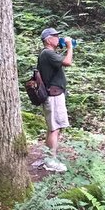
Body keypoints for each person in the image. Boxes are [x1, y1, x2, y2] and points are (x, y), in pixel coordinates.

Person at [36, 27, 73, 172]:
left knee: (54, 127)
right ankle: (51, 161)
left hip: (54, 95)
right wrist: (69, 47)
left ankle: (48, 156)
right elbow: (68, 62)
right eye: (55, 36)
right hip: (54, 96)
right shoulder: (48, 53)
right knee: (55, 128)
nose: (58, 38)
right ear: (48, 40)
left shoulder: (49, 54)